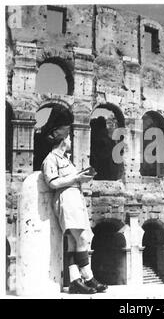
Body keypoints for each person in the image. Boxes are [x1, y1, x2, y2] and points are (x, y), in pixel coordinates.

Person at [41, 107, 107, 294]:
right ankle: (86, 278)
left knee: (77, 240)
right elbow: (52, 182)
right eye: (68, 137)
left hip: (74, 198)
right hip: (65, 199)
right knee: (80, 239)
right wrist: (76, 178)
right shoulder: (50, 159)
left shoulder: (66, 160)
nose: (71, 140)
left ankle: (78, 280)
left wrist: (81, 176)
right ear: (62, 140)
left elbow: (68, 179)